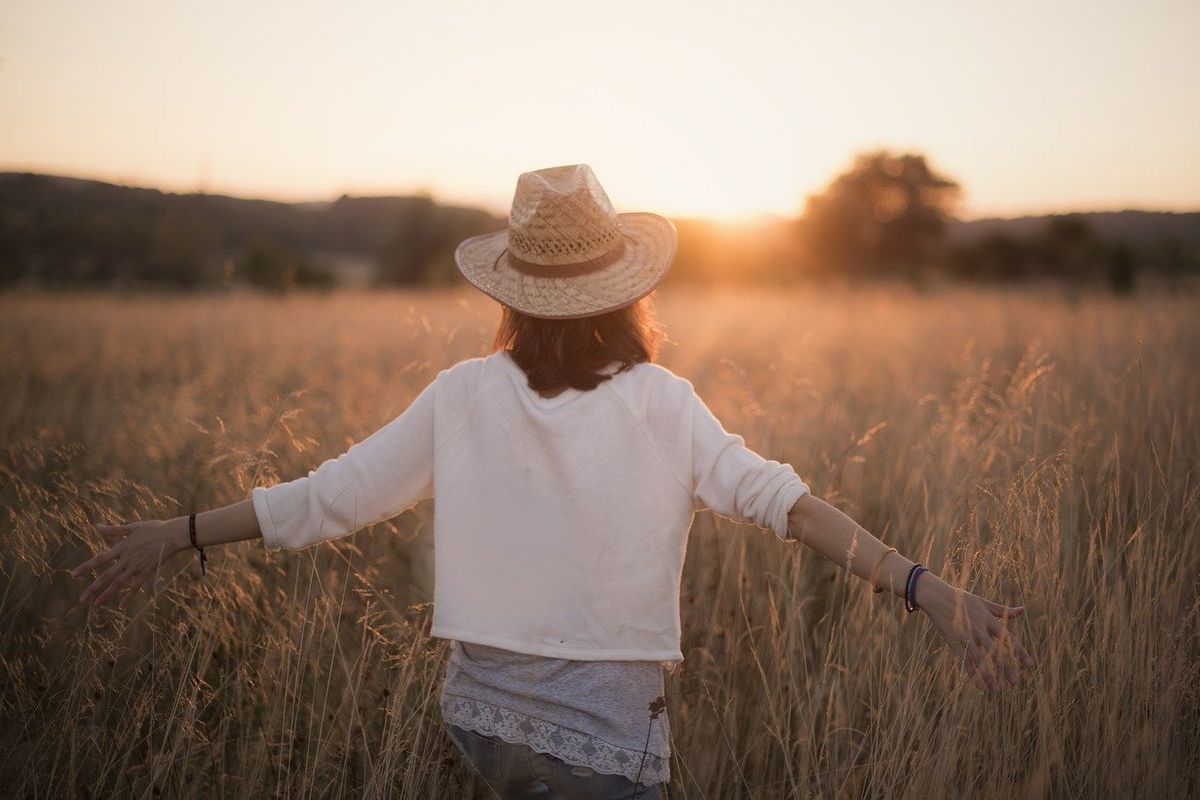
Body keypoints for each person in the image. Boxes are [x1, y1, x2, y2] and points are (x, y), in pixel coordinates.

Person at [69, 164, 1035, 799]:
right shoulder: (664, 402)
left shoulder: (460, 394)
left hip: (479, 731)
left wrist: (179, 533)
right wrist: (924, 586)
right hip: (606, 751)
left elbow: (328, 498)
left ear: (514, 296)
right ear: (629, 290)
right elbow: (788, 505)